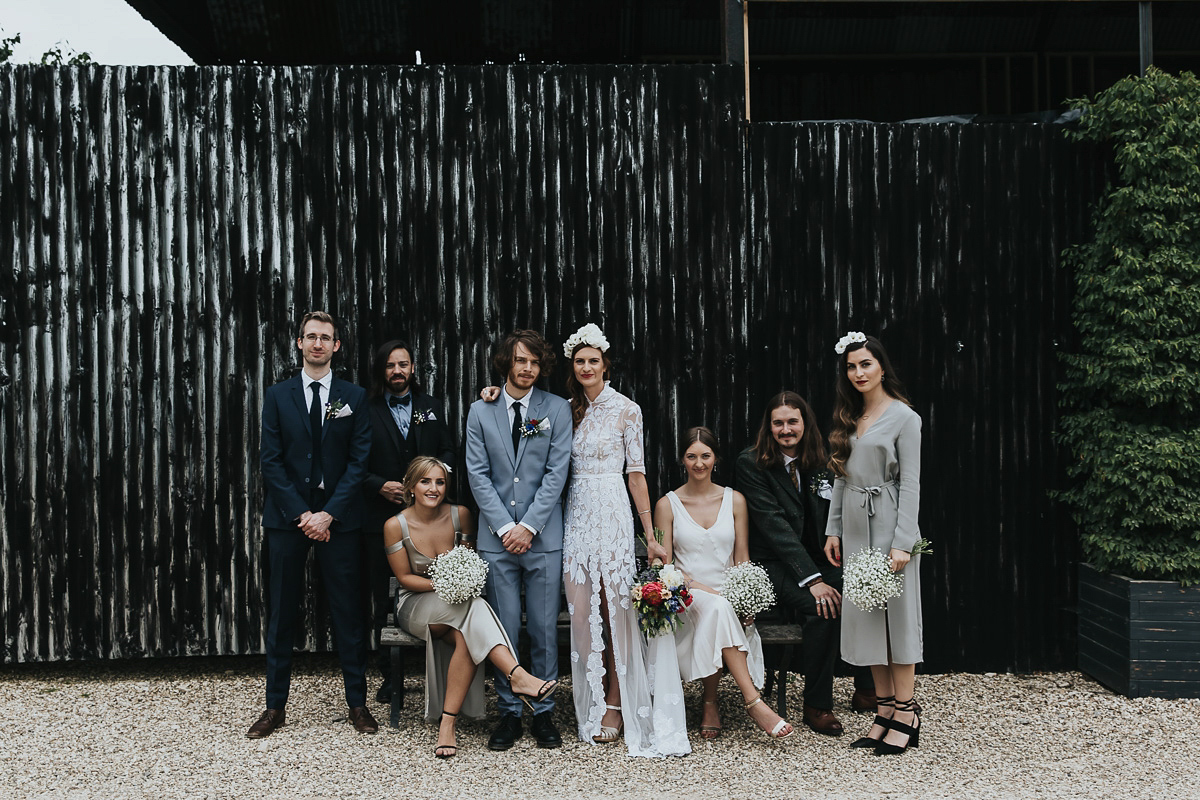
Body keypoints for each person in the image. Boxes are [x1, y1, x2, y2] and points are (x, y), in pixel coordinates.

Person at [249, 311, 377, 739]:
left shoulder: (353, 396)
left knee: (347, 611)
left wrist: (329, 513)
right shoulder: (277, 395)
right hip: (289, 520)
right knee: (282, 612)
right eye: (311, 337)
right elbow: (271, 460)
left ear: (337, 346)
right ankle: (274, 707)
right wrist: (304, 514)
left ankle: (357, 704)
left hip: (338, 519)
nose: (318, 344)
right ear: (299, 344)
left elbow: (360, 462)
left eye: (326, 338)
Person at [385, 456, 557, 758]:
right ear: (411, 486)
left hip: (457, 607)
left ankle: (447, 724)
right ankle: (517, 675)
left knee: (468, 633)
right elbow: (405, 578)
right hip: (415, 605)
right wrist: (447, 585)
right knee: (473, 607)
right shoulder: (395, 525)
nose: (434, 488)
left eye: (440, 482)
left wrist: (460, 583)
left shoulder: (460, 515)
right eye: (426, 481)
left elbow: (467, 563)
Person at [735, 390, 874, 736]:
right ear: (769, 427)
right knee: (822, 605)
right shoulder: (751, 463)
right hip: (772, 565)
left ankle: (868, 688)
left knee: (862, 589)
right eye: (778, 423)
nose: (786, 429)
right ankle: (817, 704)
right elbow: (774, 526)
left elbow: (835, 507)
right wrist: (814, 580)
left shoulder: (819, 461)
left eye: (792, 422)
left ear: (804, 423)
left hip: (815, 557)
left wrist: (836, 536)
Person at [464, 330, 572, 750]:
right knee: (505, 629)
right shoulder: (480, 410)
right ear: (506, 363)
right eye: (520, 361)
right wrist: (505, 528)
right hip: (496, 540)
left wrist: (528, 526)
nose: (527, 369)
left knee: (544, 628)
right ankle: (508, 713)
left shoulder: (556, 409)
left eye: (534, 362)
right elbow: (478, 473)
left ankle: (544, 713)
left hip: (542, 539)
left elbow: (556, 473)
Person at [656, 427, 793, 740]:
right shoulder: (668, 504)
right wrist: (705, 591)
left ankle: (711, 704)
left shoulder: (735, 500)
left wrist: (747, 601)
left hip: (729, 595)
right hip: (687, 597)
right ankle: (753, 702)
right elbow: (666, 566)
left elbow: (741, 558)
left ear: (715, 458)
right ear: (683, 459)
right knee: (717, 607)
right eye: (692, 456)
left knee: (720, 609)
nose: (699, 463)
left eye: (705, 455)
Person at [823, 332, 924, 756]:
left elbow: (911, 483)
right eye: (851, 366)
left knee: (897, 622)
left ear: (881, 366)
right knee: (868, 623)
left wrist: (904, 542)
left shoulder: (904, 417)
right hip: (857, 531)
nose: (859, 372)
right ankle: (883, 711)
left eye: (866, 364)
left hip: (889, 527)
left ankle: (907, 712)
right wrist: (834, 529)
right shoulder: (850, 417)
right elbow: (842, 479)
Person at [362, 339, 456, 703]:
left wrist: (434, 478)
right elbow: (353, 460)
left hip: (428, 519)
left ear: (413, 367)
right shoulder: (365, 408)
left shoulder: (430, 406)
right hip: (379, 516)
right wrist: (376, 485)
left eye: (403, 364)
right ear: (381, 370)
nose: (397, 371)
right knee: (381, 595)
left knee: (437, 584)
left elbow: (448, 450)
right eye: (390, 366)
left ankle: (445, 672)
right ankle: (390, 677)